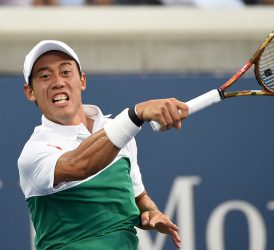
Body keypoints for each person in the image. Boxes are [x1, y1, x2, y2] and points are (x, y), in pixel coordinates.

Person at [17, 40, 189, 250]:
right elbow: (80, 165)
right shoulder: (34, 152)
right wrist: (135, 115)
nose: (58, 82)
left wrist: (151, 212)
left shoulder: (118, 132)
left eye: (65, 72)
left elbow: (138, 197)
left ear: (82, 80)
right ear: (30, 92)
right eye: (45, 76)